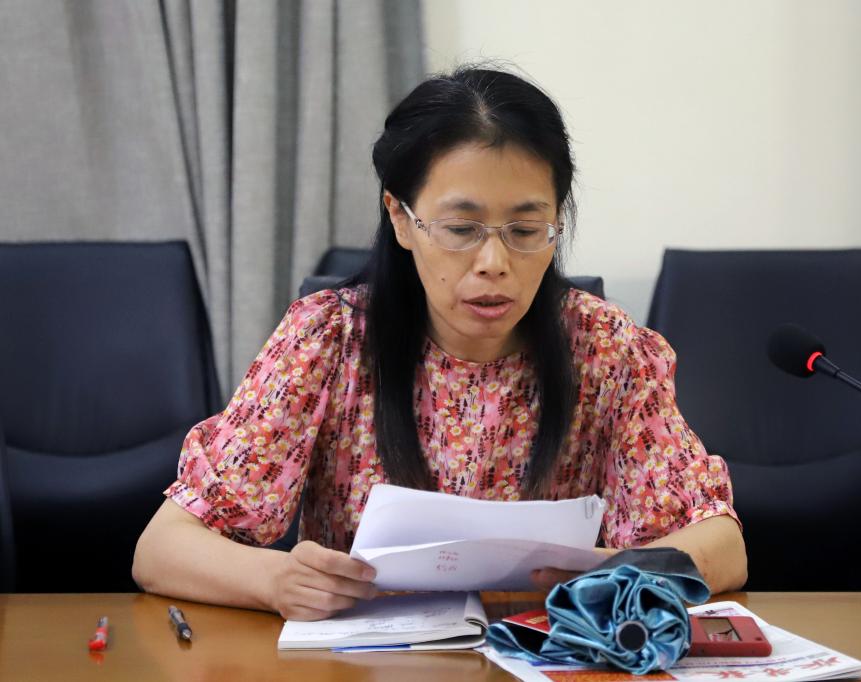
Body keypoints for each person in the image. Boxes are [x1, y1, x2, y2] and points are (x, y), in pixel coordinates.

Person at [133, 66, 747, 621]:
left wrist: (617, 572)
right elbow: (162, 548)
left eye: (525, 229)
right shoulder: (328, 341)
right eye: (461, 228)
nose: (494, 261)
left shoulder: (606, 349)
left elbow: (721, 544)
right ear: (401, 219)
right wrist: (275, 580)